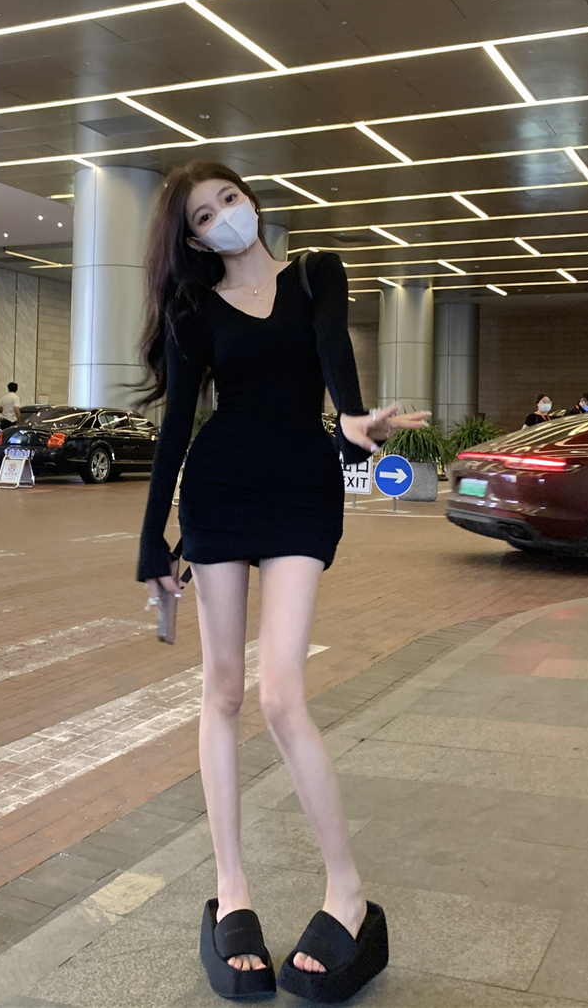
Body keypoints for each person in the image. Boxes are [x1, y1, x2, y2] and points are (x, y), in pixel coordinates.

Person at [136, 160, 429, 1003]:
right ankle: (232, 891)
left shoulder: (315, 273)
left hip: (301, 490)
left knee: (280, 695)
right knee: (223, 689)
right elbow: (176, 425)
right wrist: (152, 538)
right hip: (220, 489)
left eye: (230, 198)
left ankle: (347, 892)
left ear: (251, 199)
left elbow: (334, 353)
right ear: (193, 241)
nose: (225, 216)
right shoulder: (192, 310)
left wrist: (354, 419)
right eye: (204, 215)